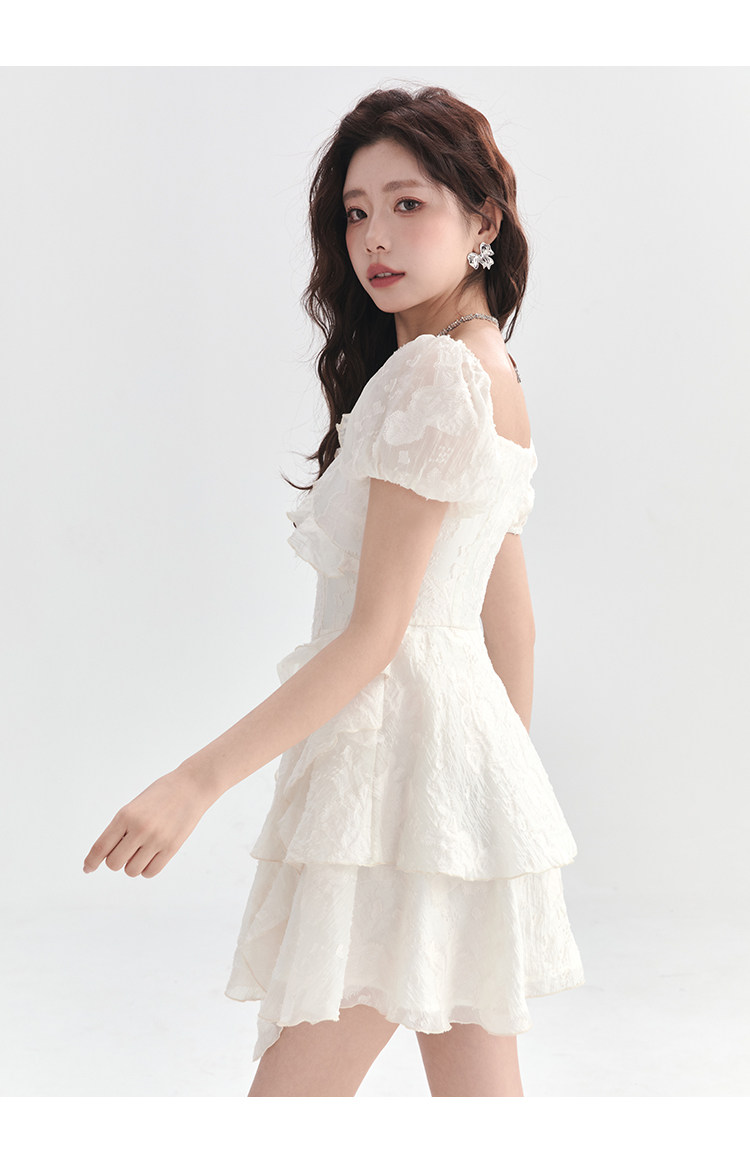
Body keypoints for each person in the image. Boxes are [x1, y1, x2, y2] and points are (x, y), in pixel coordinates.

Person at [83, 84, 585, 1097]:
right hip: (453, 771)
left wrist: (194, 782)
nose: (375, 238)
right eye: (357, 212)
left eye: (409, 204)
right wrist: (489, 798)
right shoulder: (491, 368)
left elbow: (373, 635)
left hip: (397, 774)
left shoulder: (436, 376)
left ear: (483, 220)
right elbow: (513, 623)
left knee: (293, 1101)